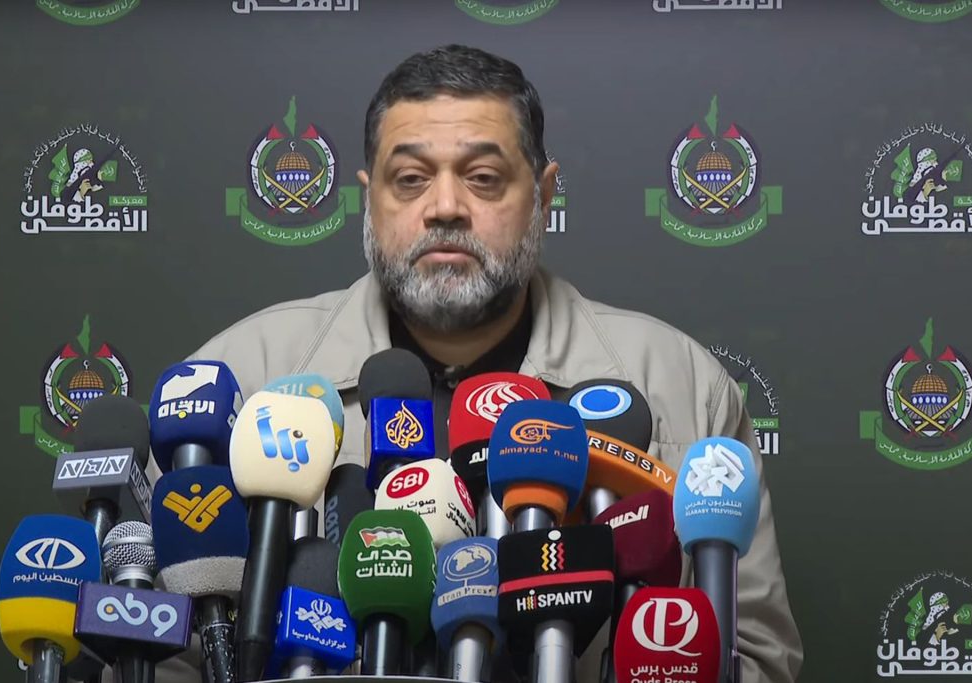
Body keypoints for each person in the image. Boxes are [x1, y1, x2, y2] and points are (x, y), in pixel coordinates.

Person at [181, 44, 803, 683]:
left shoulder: (681, 385)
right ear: (370, 200)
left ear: (544, 193)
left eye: (482, 177)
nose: (445, 206)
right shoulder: (240, 377)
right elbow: (174, 652)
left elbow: (754, 658)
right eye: (410, 179)